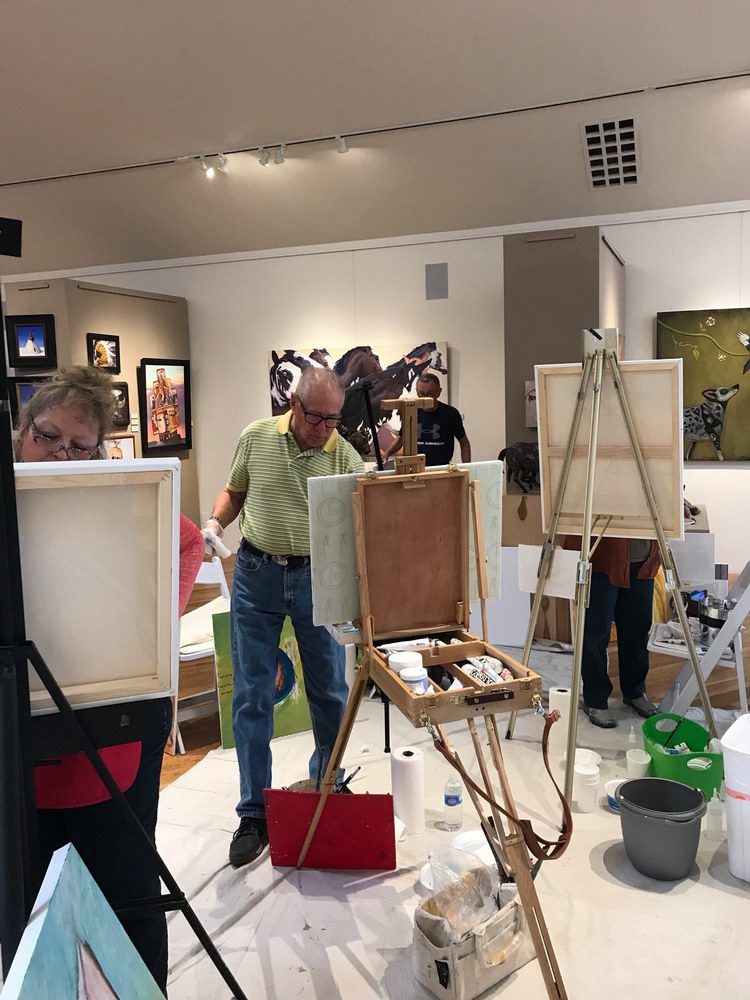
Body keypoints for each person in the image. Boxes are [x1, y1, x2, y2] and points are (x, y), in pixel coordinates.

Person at [15, 366, 204, 993]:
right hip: (24, 738)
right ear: (22, 430)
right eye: (47, 437)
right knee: (33, 908)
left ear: (100, 451)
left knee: (125, 897)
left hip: (109, 731)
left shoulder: (114, 495)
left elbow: (185, 543)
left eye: (79, 446)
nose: (59, 455)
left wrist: (153, 624)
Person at [202, 367, 364, 868]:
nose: (322, 428)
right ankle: (254, 813)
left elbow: (365, 517)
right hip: (257, 572)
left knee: (330, 690)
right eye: (315, 416)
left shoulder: (344, 455)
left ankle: (328, 785)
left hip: (319, 577)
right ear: (294, 404)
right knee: (253, 693)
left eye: (333, 419)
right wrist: (214, 522)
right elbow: (236, 491)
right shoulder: (256, 437)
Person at [564, 535, 661, 728]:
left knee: (638, 627)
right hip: (602, 559)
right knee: (595, 632)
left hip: (642, 559)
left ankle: (634, 691)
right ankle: (595, 699)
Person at [383, 373, 471, 466]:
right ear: (417, 392)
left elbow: (464, 443)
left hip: (441, 468)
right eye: (421, 393)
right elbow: (401, 439)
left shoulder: (451, 414)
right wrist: (387, 454)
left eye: (430, 394)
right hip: (415, 468)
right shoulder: (411, 412)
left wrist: (468, 467)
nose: (425, 397)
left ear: (439, 392)